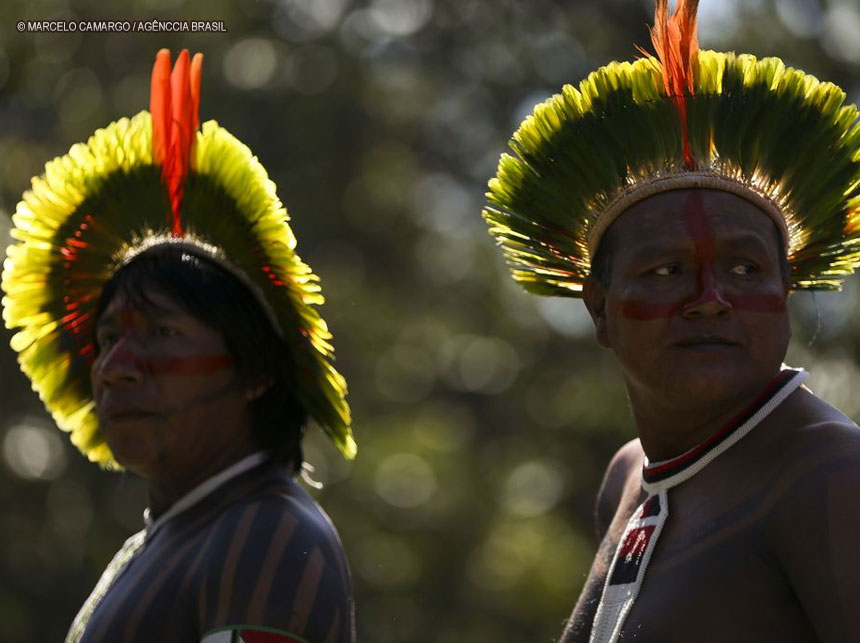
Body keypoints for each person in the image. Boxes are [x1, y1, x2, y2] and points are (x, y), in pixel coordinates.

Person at [482, 1, 860, 641]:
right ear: (598, 310)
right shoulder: (630, 474)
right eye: (665, 271)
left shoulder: (830, 478)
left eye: (744, 269)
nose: (710, 299)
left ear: (787, 289)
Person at [2, 49, 356, 643]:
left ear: (256, 372)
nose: (115, 370)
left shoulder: (265, 533)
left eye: (163, 334)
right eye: (108, 339)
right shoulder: (165, 539)